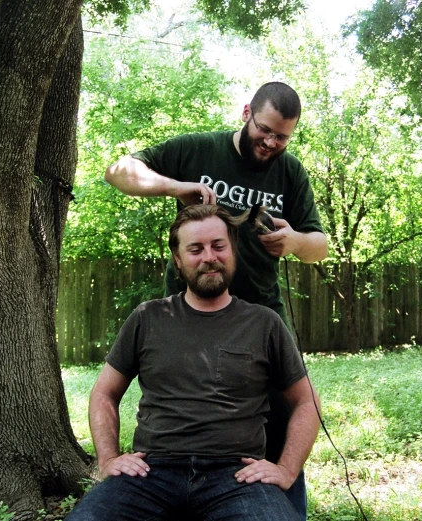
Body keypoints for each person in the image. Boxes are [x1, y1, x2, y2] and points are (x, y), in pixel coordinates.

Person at [104, 81, 328, 516]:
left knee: (283, 426)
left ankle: (281, 507)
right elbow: (118, 171)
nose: (271, 142)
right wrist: (174, 186)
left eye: (283, 136)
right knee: (189, 419)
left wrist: (295, 241)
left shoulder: (290, 172)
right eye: (265, 130)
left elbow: (320, 244)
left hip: (260, 319)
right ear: (246, 112)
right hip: (189, 318)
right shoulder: (197, 149)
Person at [65, 205, 321, 521]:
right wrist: (107, 459)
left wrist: (285, 469)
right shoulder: (148, 318)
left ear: (233, 251)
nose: (209, 257)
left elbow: (306, 402)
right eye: (195, 249)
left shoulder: (264, 323)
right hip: (151, 473)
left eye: (218, 246)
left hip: (237, 477)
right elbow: (104, 393)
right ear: (178, 259)